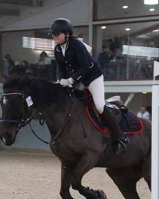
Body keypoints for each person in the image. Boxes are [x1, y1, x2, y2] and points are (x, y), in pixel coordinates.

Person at [49, 18, 128, 154]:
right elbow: (62, 69)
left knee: (98, 106)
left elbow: (86, 66)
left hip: (93, 77)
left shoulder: (77, 45)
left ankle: (120, 136)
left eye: (57, 34)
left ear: (67, 34)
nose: (54, 36)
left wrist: (71, 80)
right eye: (53, 34)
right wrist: (61, 81)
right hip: (79, 80)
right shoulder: (57, 49)